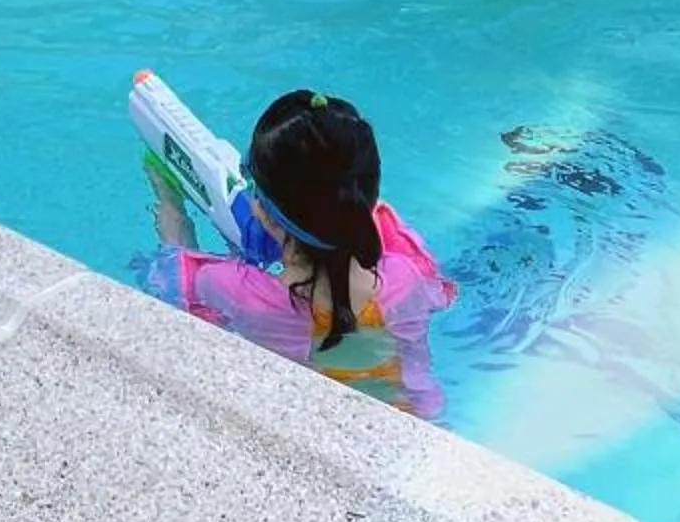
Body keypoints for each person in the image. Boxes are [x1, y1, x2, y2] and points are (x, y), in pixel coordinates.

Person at [142, 89, 460, 421]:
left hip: (309, 428)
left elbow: (169, 277)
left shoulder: (240, 292)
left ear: (263, 209)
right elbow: (435, 287)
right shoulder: (406, 279)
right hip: (422, 422)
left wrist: (168, 194)